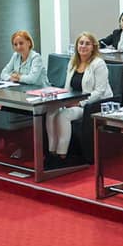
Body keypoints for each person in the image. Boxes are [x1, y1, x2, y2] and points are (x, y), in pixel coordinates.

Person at [50, 32, 112, 164]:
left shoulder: (98, 63)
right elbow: (67, 88)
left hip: (94, 104)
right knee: (51, 113)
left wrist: (79, 103)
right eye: (81, 43)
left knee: (63, 116)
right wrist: (62, 101)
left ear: (93, 47)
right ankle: (51, 151)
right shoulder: (73, 62)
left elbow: (100, 92)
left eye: (87, 44)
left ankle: (62, 154)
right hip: (73, 101)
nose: (83, 46)